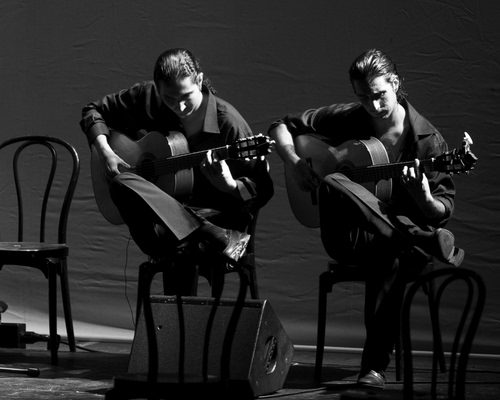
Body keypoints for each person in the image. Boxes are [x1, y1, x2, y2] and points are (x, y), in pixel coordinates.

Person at [268, 49, 464, 388]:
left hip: (398, 251)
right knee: (334, 179)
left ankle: (374, 369)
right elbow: (280, 126)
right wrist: (295, 162)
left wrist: (424, 197)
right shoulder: (349, 117)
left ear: (396, 83)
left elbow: (442, 212)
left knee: (389, 254)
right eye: (364, 97)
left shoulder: (428, 141)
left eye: (379, 95)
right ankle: (417, 237)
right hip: (347, 236)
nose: (373, 106)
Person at [80, 48, 273, 294]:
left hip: (218, 218)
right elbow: (93, 111)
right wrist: (105, 150)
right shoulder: (149, 97)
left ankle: (204, 235)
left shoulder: (228, 123)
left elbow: (263, 188)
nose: (179, 106)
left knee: (181, 250)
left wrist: (231, 186)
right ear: (158, 88)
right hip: (162, 229)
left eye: (186, 96)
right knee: (121, 183)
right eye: (169, 98)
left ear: (199, 81)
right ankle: (208, 233)